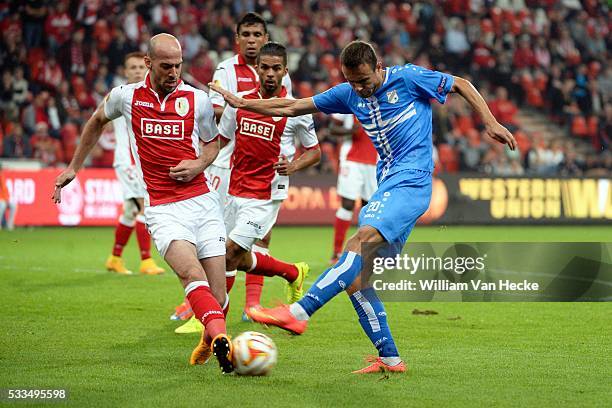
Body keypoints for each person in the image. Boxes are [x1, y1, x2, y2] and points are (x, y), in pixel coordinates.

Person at [210, 40, 516, 374]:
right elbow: (292, 107)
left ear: (379, 67)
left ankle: (299, 314)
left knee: (357, 242)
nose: (360, 88)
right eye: (353, 81)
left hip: (412, 179)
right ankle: (390, 358)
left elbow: (460, 83)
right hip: (388, 182)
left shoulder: (409, 78)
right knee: (357, 279)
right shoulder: (347, 93)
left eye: (365, 81)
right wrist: (243, 103)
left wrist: (489, 121)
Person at [53, 33, 234, 374]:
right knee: (190, 273)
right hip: (164, 208)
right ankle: (224, 341)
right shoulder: (126, 97)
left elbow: (213, 144)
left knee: (219, 296)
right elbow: (95, 121)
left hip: (203, 202)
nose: (174, 72)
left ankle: (211, 337)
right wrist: (74, 166)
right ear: (149, 64)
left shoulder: (197, 100)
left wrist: (198, 165)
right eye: (166, 66)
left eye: (178, 66)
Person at [176, 42, 319, 335]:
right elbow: (223, 141)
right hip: (233, 187)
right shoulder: (239, 103)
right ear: (257, 69)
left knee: (227, 255)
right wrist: (199, 165)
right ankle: (292, 272)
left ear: (285, 71)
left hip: (266, 196)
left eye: (275, 68)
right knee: (229, 256)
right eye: (264, 67)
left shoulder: (296, 110)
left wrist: (294, 166)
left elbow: (315, 152)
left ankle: (211, 318)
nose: (269, 73)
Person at [104, 52, 165, 276]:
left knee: (130, 211)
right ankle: (146, 260)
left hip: (142, 162)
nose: (138, 70)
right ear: (125, 71)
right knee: (143, 207)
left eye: (141, 66)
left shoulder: (150, 94)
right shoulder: (119, 95)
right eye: (132, 67)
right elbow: (98, 119)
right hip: (129, 162)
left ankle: (114, 258)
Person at [328, 113, 378, 264]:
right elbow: (332, 128)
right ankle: (336, 253)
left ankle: (365, 252)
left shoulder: (383, 100)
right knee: (347, 204)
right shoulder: (349, 100)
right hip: (351, 159)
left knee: (369, 209)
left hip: (375, 161)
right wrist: (350, 130)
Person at [0, 164, 17, 230]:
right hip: (1, 199)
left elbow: (4, 189)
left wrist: (6, 198)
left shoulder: (1, 175)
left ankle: (9, 225)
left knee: (13, 205)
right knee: (2, 205)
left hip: (3, 198)